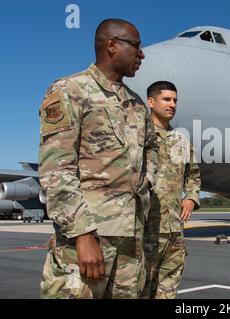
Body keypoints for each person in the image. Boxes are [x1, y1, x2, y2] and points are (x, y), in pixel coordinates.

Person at [39, 18, 159, 299]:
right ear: (112, 46)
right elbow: (57, 169)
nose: (142, 55)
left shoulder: (136, 103)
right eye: (136, 47)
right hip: (88, 240)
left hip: (131, 241)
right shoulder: (70, 90)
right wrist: (82, 235)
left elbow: (152, 147)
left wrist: (148, 179)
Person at [143, 81, 201, 299]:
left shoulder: (181, 139)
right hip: (144, 228)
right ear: (151, 101)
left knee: (168, 290)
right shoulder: (139, 136)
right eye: (166, 99)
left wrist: (191, 198)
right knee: (139, 288)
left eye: (175, 100)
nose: (172, 104)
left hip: (174, 230)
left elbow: (193, 174)